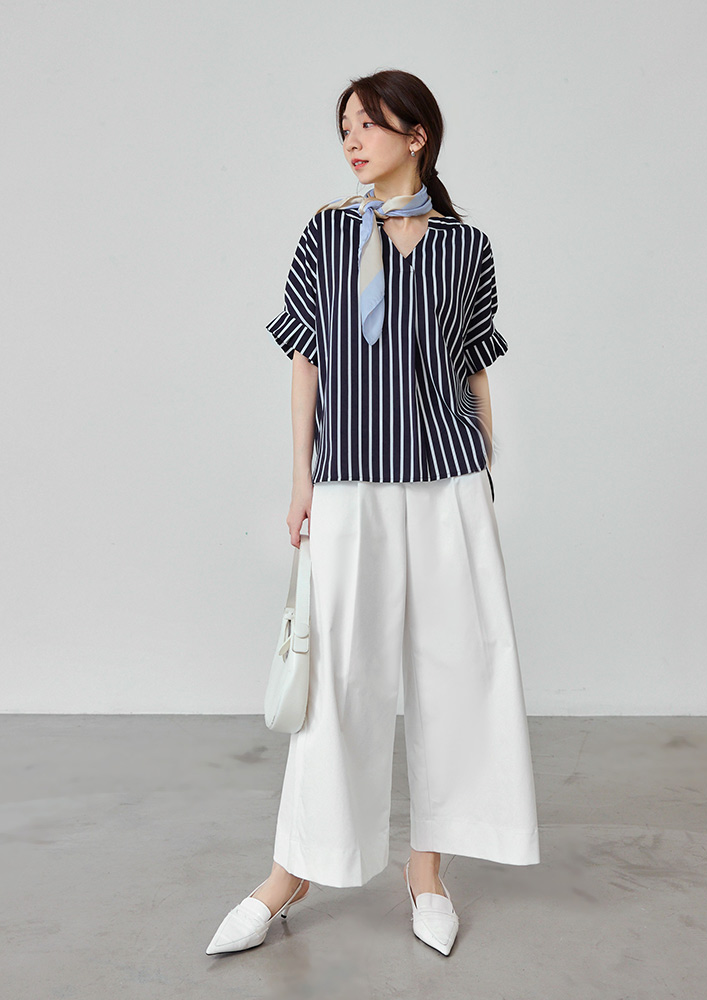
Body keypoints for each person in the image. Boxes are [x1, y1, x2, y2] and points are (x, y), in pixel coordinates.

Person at [206, 69, 540, 958]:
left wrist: (484, 461)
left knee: (459, 671)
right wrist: (300, 481)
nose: (352, 140)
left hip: (447, 483)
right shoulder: (325, 234)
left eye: (368, 125)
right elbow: (306, 362)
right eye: (345, 127)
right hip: (349, 481)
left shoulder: (469, 247)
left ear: (415, 135)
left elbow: (475, 367)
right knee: (340, 682)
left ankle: (427, 873)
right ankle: (291, 873)